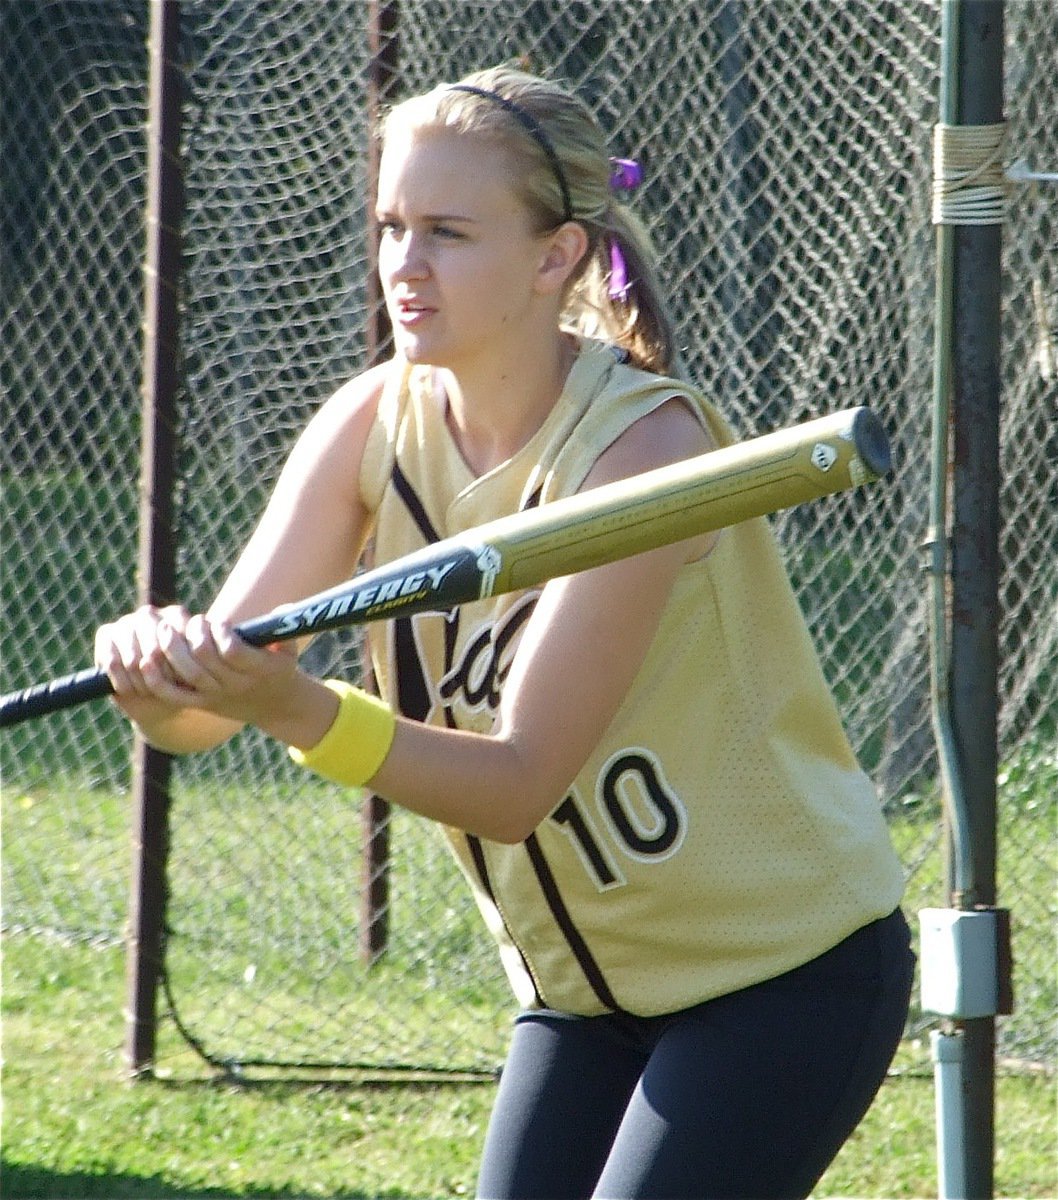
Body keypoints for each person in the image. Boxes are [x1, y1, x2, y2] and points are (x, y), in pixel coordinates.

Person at [95, 65, 914, 1200]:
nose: (403, 266)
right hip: (579, 996)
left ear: (554, 256)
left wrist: (290, 708)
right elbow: (203, 712)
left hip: (775, 975)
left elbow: (516, 784)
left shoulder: (644, 453)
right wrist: (159, 677)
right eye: (389, 226)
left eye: (446, 232)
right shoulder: (367, 423)